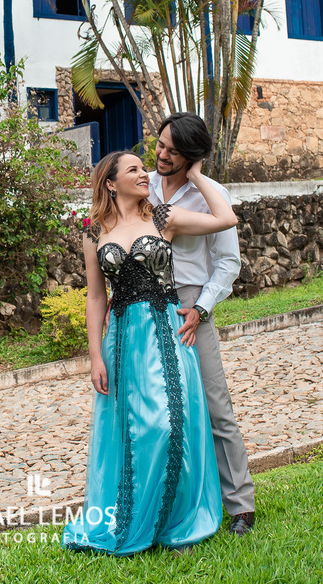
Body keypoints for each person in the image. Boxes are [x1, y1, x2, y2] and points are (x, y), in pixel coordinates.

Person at [62, 150, 236, 555]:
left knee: (171, 425)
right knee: (135, 430)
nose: (146, 174)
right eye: (135, 170)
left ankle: (179, 524)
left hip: (165, 331)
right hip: (123, 340)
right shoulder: (93, 233)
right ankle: (138, 517)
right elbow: (95, 298)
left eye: (144, 168)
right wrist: (95, 357)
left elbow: (225, 218)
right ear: (110, 183)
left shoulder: (163, 218)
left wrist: (196, 175)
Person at [147, 112, 256, 536]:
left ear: (192, 157)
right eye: (160, 145)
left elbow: (229, 262)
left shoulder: (213, 197)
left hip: (191, 303)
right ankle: (166, 506)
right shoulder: (145, 186)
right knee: (157, 409)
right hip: (148, 302)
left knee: (215, 406)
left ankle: (241, 506)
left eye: (174, 152)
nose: (161, 155)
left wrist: (201, 309)